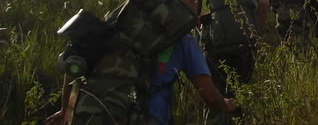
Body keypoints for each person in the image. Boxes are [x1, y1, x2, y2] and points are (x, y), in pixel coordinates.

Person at [45, 34, 237, 125]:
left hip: (93, 113)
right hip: (148, 117)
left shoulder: (115, 27)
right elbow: (211, 98)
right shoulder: (183, 40)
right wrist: (227, 105)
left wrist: (64, 110)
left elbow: (73, 66)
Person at [184, 0, 266, 124]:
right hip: (244, 43)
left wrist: (198, 20)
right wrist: (256, 33)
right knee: (239, 89)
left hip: (216, 43)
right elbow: (264, 3)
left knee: (216, 90)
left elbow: (186, 0)